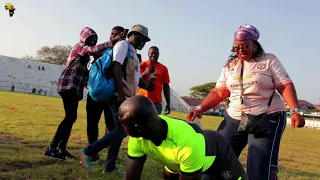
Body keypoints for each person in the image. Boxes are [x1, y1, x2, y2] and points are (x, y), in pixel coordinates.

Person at [187, 24, 305, 180]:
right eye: (236, 47)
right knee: (216, 157)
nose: (240, 50)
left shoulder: (269, 60)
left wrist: (295, 110)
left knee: (258, 167)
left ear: (255, 44)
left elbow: (285, 86)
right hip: (234, 118)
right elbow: (220, 91)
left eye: (245, 46)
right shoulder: (231, 65)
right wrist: (200, 108)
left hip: (266, 117)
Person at [80, 24, 153, 175]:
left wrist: (148, 86)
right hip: (116, 96)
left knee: (118, 131)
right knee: (122, 130)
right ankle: (88, 152)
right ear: (131, 34)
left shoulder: (134, 53)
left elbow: (136, 79)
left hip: (126, 97)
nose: (143, 42)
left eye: (145, 40)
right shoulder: (123, 45)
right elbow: (116, 66)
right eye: (141, 37)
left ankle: (109, 167)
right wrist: (120, 93)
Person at [118, 95, 248, 180]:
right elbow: (131, 178)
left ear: (139, 128)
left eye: (123, 125)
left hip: (217, 153)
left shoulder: (187, 143)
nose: (122, 128)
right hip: (176, 161)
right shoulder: (138, 137)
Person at [44, 27, 121, 161]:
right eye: (91, 39)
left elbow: (86, 73)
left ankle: (61, 149)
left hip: (74, 89)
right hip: (68, 86)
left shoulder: (86, 55)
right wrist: (111, 42)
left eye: (94, 40)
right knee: (70, 117)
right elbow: (91, 50)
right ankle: (52, 147)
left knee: (71, 117)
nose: (92, 42)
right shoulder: (80, 47)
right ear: (84, 38)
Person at [86, 26, 127, 165]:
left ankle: (110, 158)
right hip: (96, 92)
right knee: (92, 123)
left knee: (113, 126)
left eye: (116, 34)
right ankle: (93, 154)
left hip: (110, 94)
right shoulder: (103, 49)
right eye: (111, 34)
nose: (113, 37)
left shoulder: (124, 50)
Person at [137, 46, 171, 115]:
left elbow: (166, 86)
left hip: (156, 103)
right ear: (148, 54)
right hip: (141, 100)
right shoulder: (142, 65)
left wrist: (168, 103)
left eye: (156, 53)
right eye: (152, 53)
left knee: (154, 124)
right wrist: (146, 72)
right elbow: (137, 80)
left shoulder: (164, 68)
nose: (154, 55)